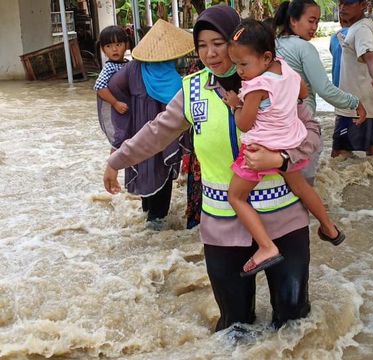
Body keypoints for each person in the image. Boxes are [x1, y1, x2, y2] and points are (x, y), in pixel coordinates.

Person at [103, 5, 319, 331]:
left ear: (236, 40)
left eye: (218, 42)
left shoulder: (276, 80)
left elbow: (313, 132)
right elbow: (155, 133)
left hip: (283, 217)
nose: (210, 53)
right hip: (223, 225)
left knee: (292, 320)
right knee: (235, 326)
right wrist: (115, 160)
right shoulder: (192, 89)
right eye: (202, 45)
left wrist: (281, 159)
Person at [222, 19, 345, 277]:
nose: (240, 71)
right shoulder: (285, 67)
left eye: (243, 64)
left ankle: (266, 246)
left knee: (235, 196)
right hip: (291, 142)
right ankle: (329, 227)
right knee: (300, 186)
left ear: (266, 57)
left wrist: (235, 104)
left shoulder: (256, 87)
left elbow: (245, 124)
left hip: (260, 148)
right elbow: (302, 91)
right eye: (235, 65)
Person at [100, 19, 195, 230]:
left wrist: (126, 109)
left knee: (142, 165)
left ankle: (147, 215)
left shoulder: (132, 69)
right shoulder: (175, 79)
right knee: (162, 169)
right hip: (165, 134)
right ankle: (157, 221)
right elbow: (185, 113)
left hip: (139, 132)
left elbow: (112, 87)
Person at [273, 0, 367, 183]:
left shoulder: (273, 45)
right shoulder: (304, 48)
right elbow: (325, 89)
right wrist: (355, 103)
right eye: (311, 21)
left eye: (317, 21)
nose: (315, 27)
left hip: (275, 124)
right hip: (300, 125)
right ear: (293, 20)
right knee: (306, 184)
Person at [332, 0, 373, 157]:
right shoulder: (365, 25)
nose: (343, 8)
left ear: (363, 5)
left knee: (339, 157)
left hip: (355, 108)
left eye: (349, 3)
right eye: (341, 3)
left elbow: (370, 56)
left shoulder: (361, 29)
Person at [94, 25, 130, 115]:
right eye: (108, 46)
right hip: (120, 109)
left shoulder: (128, 63)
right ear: (103, 49)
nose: (114, 49)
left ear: (126, 45)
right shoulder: (110, 67)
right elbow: (99, 87)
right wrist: (115, 103)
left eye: (118, 44)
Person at [329, 16, 349, 87]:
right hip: (351, 81)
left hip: (337, 80)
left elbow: (332, 52)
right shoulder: (354, 34)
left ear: (340, 21)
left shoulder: (333, 37)